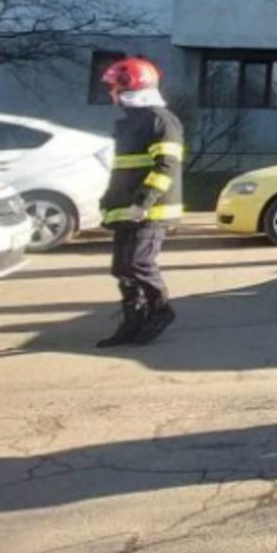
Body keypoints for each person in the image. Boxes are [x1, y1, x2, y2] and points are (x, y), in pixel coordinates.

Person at [96, 57, 184, 348]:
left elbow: (166, 167)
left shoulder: (161, 121)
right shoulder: (128, 123)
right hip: (126, 209)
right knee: (122, 268)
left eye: (115, 86)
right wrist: (109, 202)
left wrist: (143, 203)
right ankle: (132, 322)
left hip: (150, 211)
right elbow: (123, 170)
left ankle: (160, 311)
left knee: (139, 263)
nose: (111, 92)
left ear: (130, 86)